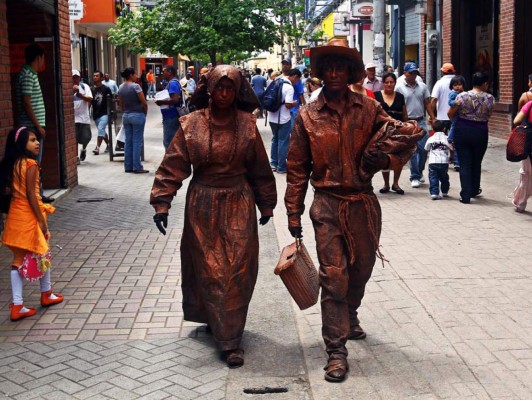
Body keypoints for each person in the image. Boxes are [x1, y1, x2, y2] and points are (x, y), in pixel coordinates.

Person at [285, 38, 423, 383]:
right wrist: (292, 212)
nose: (333, 73)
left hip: (362, 204)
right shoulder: (308, 116)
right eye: (328, 67)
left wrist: (387, 160)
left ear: (350, 73)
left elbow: (403, 142)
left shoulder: (368, 108)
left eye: (340, 67)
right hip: (327, 205)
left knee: (361, 268)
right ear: (319, 73)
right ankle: (335, 350)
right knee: (334, 275)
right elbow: (297, 168)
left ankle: (351, 312)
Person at [150, 65, 277, 368]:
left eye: (229, 89)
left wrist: (267, 204)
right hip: (203, 204)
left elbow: (260, 169)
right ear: (208, 90)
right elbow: (173, 165)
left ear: (238, 92)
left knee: (237, 270)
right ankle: (223, 332)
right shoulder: (191, 124)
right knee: (209, 269)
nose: (223, 94)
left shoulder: (247, 126)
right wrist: (162, 202)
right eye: (218, 88)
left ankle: (229, 335)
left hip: (239, 201)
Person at [0, 127, 64, 321]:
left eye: (36, 140)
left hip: (15, 216)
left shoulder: (12, 164)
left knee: (18, 260)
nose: (37, 143)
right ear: (22, 144)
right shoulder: (30, 164)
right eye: (32, 140)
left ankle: (17, 305)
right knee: (43, 252)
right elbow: (31, 195)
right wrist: (41, 221)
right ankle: (46, 294)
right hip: (29, 216)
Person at [448, 72, 494, 204]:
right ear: (485, 84)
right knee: (476, 161)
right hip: (481, 131)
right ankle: (474, 189)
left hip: (462, 130)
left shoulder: (462, 96)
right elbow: (489, 114)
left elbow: (450, 113)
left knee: (464, 163)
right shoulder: (490, 98)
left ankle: (465, 195)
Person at [15, 44, 53, 203]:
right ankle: (35, 194)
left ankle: (37, 192)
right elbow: (26, 102)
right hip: (31, 126)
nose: (43, 60)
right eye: (43, 57)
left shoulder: (30, 74)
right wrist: (38, 126)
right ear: (38, 57)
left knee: (34, 161)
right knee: (33, 162)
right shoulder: (27, 75)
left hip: (32, 125)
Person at [395, 61, 436, 188]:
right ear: (405, 73)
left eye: (415, 73)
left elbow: (427, 102)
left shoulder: (422, 86)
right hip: (408, 122)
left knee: (424, 148)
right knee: (413, 150)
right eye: (411, 73)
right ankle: (414, 176)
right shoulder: (399, 88)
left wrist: (432, 117)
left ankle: (419, 170)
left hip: (421, 121)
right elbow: (399, 105)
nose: (413, 75)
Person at [374, 72, 408, 194]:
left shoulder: (400, 96)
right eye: (387, 82)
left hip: (398, 132)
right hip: (382, 133)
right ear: (383, 83)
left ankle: (396, 184)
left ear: (395, 83)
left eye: (391, 82)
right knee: (385, 157)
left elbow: (405, 115)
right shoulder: (376, 96)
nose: (389, 84)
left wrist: (407, 127)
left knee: (398, 157)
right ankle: (386, 184)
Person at [118, 67, 148, 174]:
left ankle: (128, 166)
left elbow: (120, 104)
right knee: (137, 142)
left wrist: (125, 111)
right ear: (131, 75)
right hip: (137, 115)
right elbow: (144, 102)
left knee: (128, 142)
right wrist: (145, 112)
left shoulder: (121, 87)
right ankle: (137, 166)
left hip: (126, 115)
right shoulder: (136, 86)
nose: (136, 76)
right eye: (135, 74)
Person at [268, 68, 297, 174]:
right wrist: (294, 103)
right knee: (283, 142)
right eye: (297, 80)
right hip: (283, 118)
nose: (296, 82)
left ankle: (273, 164)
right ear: (294, 76)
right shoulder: (289, 87)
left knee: (275, 139)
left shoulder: (275, 82)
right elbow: (288, 104)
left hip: (272, 117)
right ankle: (281, 167)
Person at [431, 63, 458, 169]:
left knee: (441, 140)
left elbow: (433, 100)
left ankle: (442, 159)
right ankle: (455, 160)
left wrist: (432, 115)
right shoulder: (458, 82)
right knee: (454, 139)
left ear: (442, 72)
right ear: (453, 71)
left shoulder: (439, 83)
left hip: (442, 117)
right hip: (455, 116)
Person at [511, 100, 532, 213]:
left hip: (529, 144)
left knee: (526, 174)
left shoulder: (530, 104)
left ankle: (521, 203)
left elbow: (516, 120)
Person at [424, 120, 453, 200]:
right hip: (444, 162)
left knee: (433, 177)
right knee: (444, 177)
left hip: (432, 162)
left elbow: (426, 148)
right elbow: (452, 148)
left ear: (433, 129)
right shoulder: (447, 138)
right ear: (444, 129)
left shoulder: (430, 139)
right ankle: (445, 191)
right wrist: (451, 157)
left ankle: (434, 193)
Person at [155, 65, 182, 149]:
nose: (162, 74)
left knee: (169, 142)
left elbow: (175, 99)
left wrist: (161, 102)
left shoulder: (173, 83)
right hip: (169, 117)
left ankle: (170, 161)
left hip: (171, 117)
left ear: (170, 72)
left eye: (164, 72)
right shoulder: (171, 83)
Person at [72, 69, 93, 163]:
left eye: (77, 77)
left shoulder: (84, 87)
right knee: (74, 138)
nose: (75, 79)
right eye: (73, 77)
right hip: (73, 118)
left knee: (87, 136)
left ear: (79, 78)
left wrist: (81, 96)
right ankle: (76, 157)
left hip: (84, 117)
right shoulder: (66, 88)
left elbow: (90, 99)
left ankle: (83, 149)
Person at [447, 75, 466, 171]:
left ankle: (457, 162)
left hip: (462, 117)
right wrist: (455, 103)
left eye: (459, 85)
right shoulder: (453, 94)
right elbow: (449, 102)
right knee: (454, 126)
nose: (458, 87)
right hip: (456, 115)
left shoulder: (465, 94)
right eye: (455, 85)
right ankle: (449, 139)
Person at [91, 71, 112, 155]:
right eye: (94, 76)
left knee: (100, 128)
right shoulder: (92, 89)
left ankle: (97, 148)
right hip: (96, 114)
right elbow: (90, 101)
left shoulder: (106, 89)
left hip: (105, 113)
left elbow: (111, 100)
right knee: (102, 130)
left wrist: (112, 112)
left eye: (97, 76)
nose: (95, 77)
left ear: (101, 78)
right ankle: (109, 145)